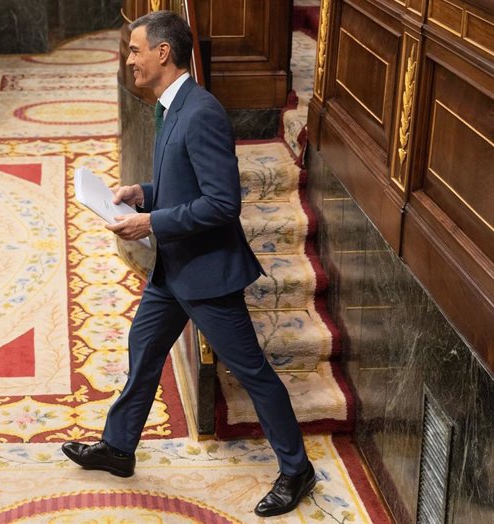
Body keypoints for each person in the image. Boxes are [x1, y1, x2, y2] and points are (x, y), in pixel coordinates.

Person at [62, 10, 316, 518]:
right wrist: (142, 193)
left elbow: (223, 203)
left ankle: (296, 470)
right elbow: (186, 186)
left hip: (206, 273)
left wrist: (150, 222)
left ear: (163, 53)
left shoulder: (201, 112)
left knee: (252, 372)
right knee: (144, 348)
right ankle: (118, 448)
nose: (129, 59)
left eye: (136, 50)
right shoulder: (168, 107)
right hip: (173, 271)